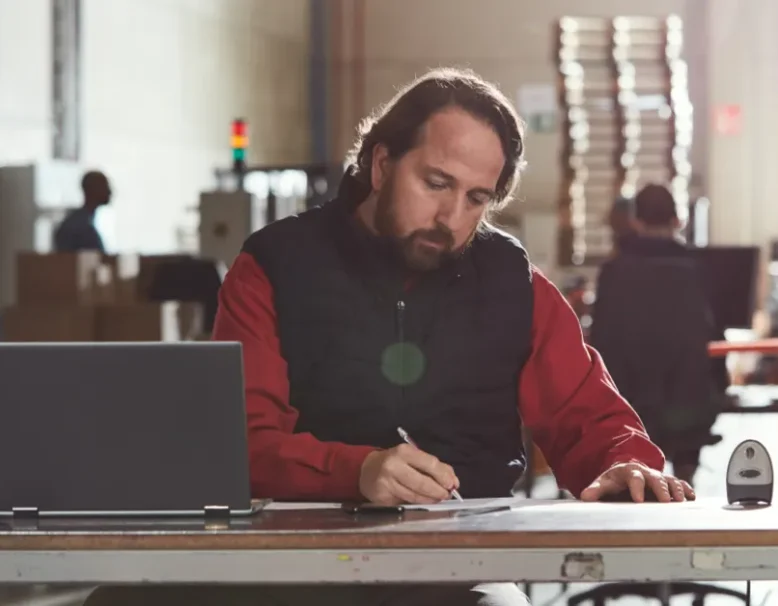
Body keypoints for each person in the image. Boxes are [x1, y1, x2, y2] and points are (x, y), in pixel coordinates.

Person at [85, 69, 693, 606]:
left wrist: (625, 464)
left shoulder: (513, 283)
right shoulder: (273, 266)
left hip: (457, 572)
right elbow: (244, 441)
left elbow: (589, 415)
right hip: (287, 564)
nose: (452, 216)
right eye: (436, 183)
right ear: (381, 165)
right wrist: (355, 471)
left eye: (476, 198)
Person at [591, 183, 723, 484]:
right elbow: (715, 338)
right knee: (691, 418)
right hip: (688, 407)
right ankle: (687, 484)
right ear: (677, 220)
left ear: (635, 221)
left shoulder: (613, 272)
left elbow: (599, 345)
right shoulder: (698, 270)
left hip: (630, 408)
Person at [53, 170, 111, 253]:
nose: (110, 191)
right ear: (92, 189)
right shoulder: (76, 227)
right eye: (105, 186)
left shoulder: (85, 222)